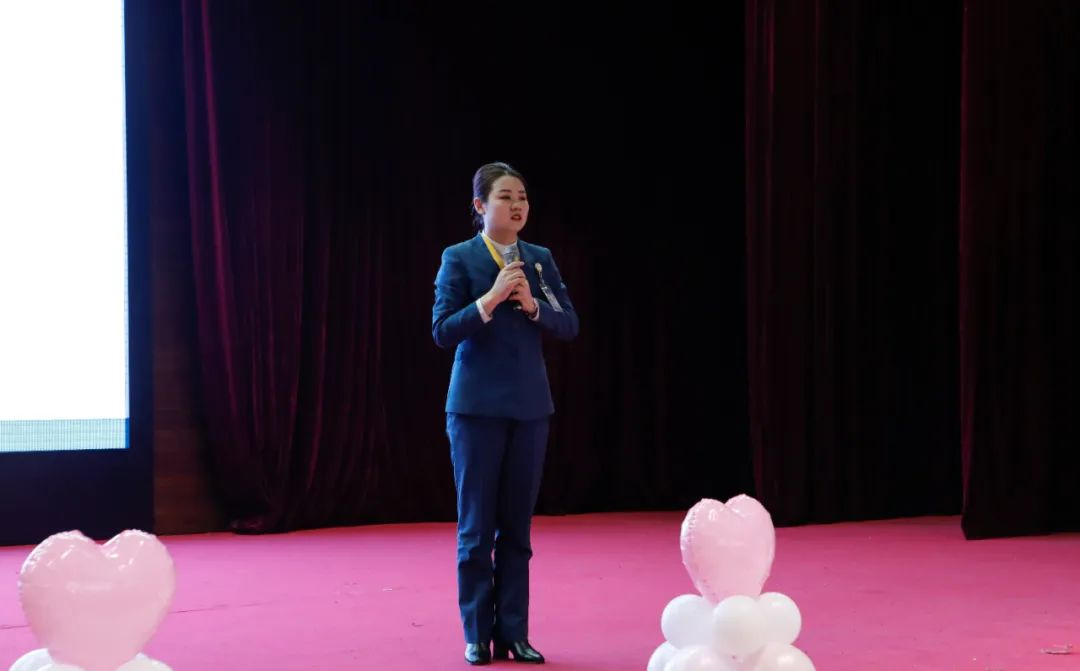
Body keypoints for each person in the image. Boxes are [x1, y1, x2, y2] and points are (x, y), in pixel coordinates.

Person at [432, 162, 579, 665]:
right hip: (475, 410)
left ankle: (514, 633)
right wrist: (490, 300)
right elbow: (442, 330)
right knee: (476, 531)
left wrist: (534, 306)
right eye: (505, 197)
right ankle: (477, 634)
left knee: (517, 529)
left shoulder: (539, 260)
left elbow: (569, 323)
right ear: (480, 206)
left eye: (522, 198)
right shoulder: (459, 258)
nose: (517, 206)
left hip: (530, 408)